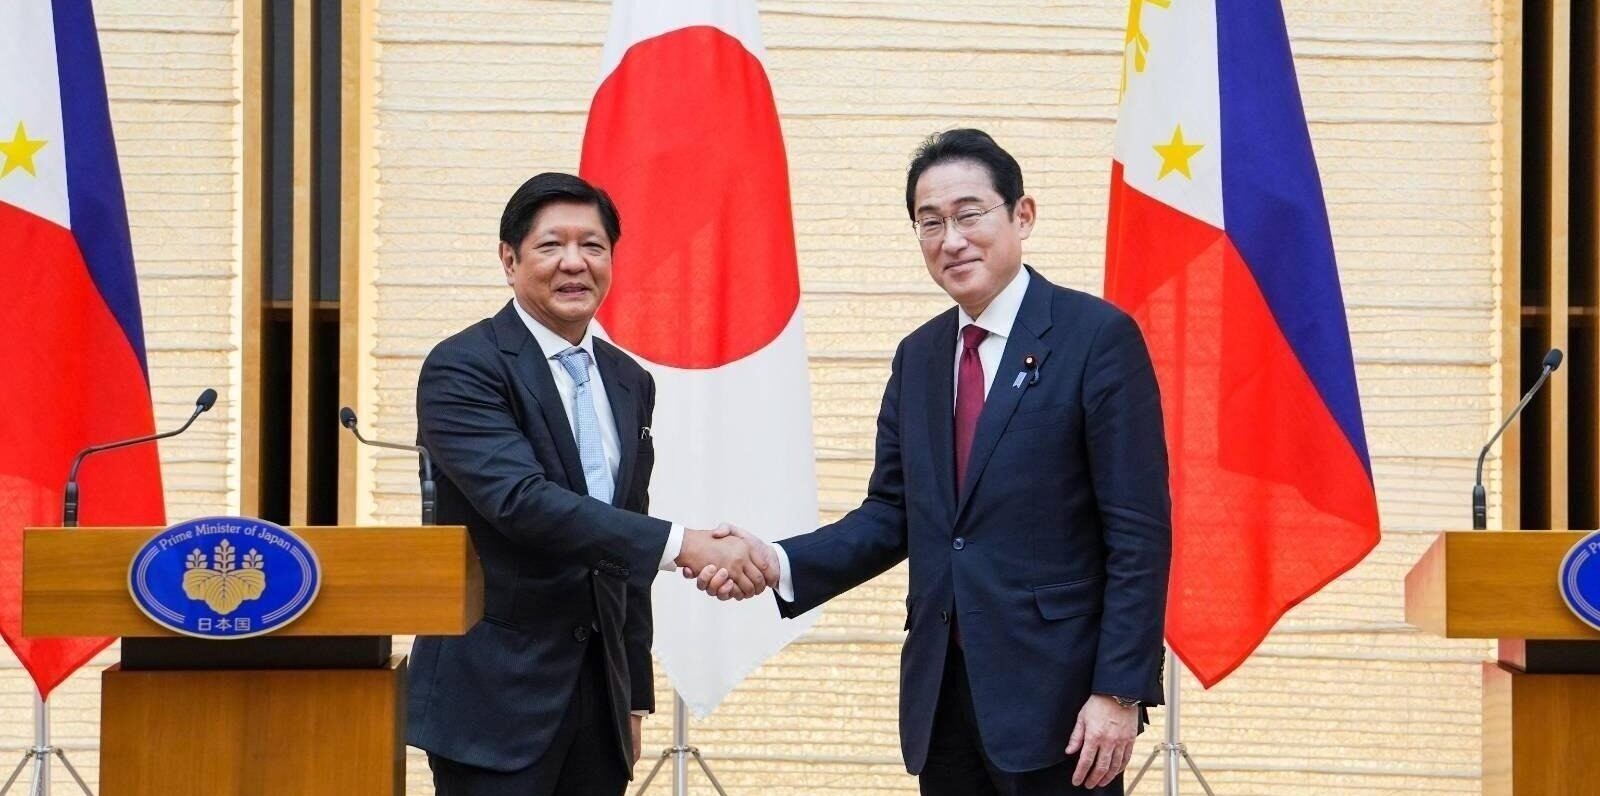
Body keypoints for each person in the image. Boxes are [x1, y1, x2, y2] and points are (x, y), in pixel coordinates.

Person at [694, 129, 1172, 794]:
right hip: (943, 698)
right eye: (930, 222)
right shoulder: (918, 357)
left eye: (970, 214)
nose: (952, 239)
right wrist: (776, 561)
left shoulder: (1096, 338)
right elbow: (892, 516)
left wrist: (1120, 691)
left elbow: (1139, 534)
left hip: (1063, 706)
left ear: (1022, 215)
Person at [408, 172, 771, 796]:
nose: (574, 263)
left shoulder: (628, 380)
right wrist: (689, 544)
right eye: (551, 245)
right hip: (495, 702)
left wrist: (631, 696)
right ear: (509, 259)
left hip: (597, 704)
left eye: (593, 246)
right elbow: (523, 504)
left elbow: (621, 543)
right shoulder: (464, 366)